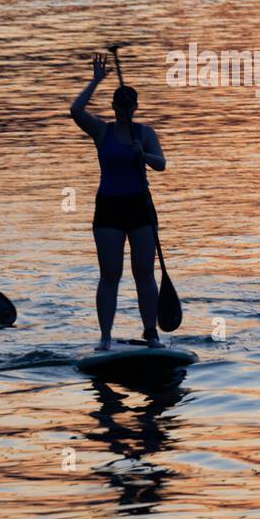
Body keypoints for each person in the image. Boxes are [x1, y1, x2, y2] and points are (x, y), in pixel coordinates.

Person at [70, 53, 166, 351]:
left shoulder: (145, 134)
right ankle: (105, 338)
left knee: (144, 275)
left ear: (135, 108)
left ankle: (151, 335)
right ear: (114, 107)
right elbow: (75, 111)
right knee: (110, 276)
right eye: (120, 106)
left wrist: (143, 154)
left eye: (128, 106)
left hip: (140, 207)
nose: (124, 110)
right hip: (109, 209)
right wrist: (96, 80)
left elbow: (161, 164)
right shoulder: (102, 131)